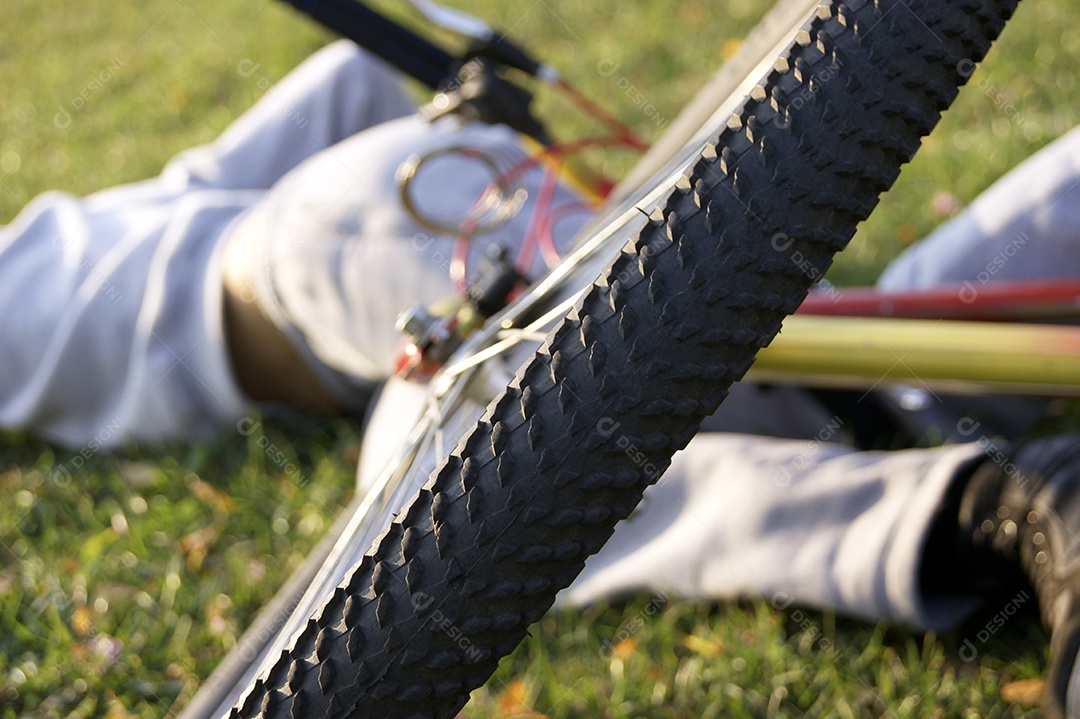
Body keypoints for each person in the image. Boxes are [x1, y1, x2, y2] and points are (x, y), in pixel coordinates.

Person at [3, 41, 1080, 716]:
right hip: (377, 244)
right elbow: (348, 83)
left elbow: (347, 84)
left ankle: (977, 504)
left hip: (340, 245)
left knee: (464, 490)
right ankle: (944, 458)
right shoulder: (67, 232)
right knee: (856, 347)